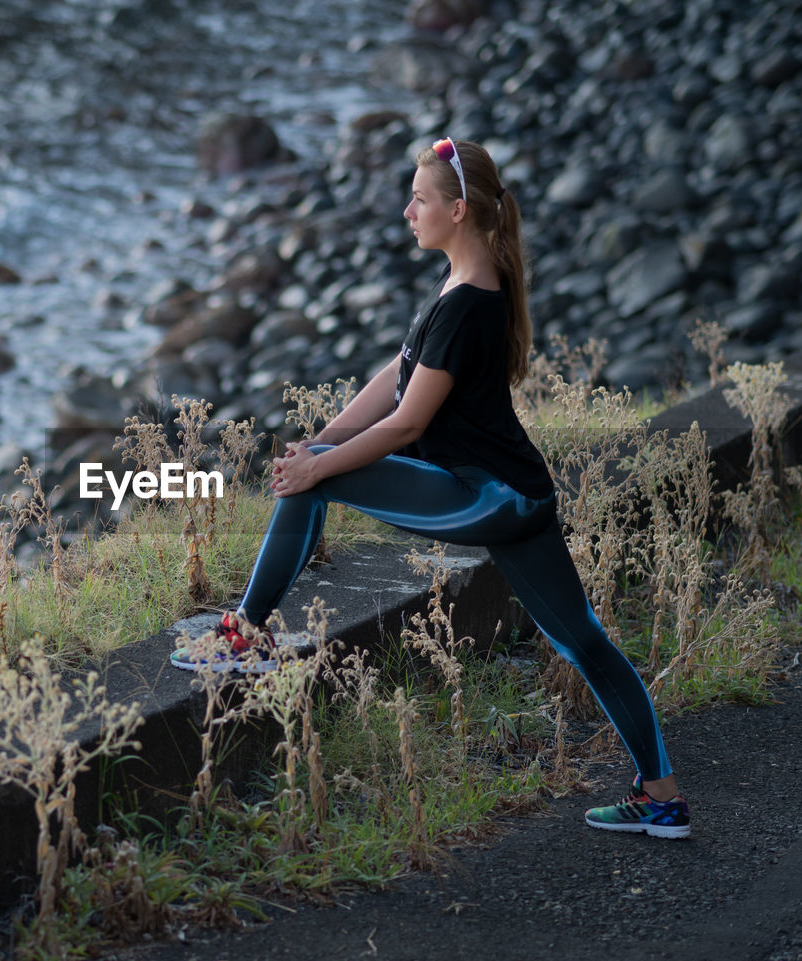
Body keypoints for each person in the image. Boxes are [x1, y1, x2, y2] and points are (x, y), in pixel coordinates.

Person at [169, 137, 690, 840]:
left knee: (309, 488)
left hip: (488, 495)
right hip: (520, 494)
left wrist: (319, 466)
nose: (406, 210)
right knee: (584, 643)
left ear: (458, 208)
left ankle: (246, 633)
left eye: (419, 198)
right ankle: (662, 796)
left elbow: (408, 418)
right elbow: (395, 375)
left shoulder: (469, 303)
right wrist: (320, 441)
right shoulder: (465, 283)